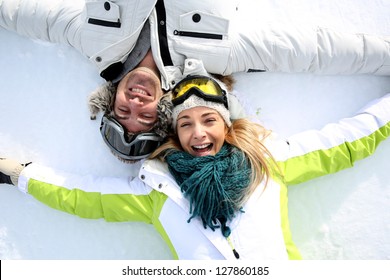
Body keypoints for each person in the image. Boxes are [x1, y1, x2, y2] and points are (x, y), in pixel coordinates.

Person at [1, 75, 389, 259]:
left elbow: (345, 142)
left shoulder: (267, 163)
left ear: (227, 126)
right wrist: (19, 174)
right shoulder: (156, 190)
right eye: (185, 124)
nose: (198, 133)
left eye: (209, 121)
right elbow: (83, 196)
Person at [2, 0, 390, 161]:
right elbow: (313, 51)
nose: (136, 103)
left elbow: (21, 16)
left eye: (123, 110)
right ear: (165, 109)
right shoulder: (215, 58)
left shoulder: (90, 41)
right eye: (144, 114)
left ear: (110, 97)